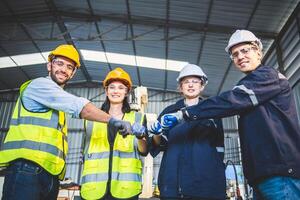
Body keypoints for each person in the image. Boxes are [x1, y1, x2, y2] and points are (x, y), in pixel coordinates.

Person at [160, 30, 300, 199]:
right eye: (235, 54)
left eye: (245, 50)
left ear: (258, 52)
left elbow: (230, 101)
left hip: (280, 171)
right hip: (263, 174)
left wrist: (184, 114)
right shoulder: (250, 84)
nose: (240, 56)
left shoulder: (267, 77)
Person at [0, 45, 132, 200]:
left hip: (49, 174)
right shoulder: (38, 85)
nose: (64, 69)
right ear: (49, 65)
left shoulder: (58, 104)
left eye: (69, 67)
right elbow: (82, 108)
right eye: (59, 63)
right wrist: (113, 121)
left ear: (73, 72)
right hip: (26, 169)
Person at [149, 63, 226, 200]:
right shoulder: (169, 112)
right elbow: (159, 145)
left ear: (202, 86)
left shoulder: (212, 111)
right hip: (173, 183)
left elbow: (219, 149)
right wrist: (157, 134)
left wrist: (217, 174)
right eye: (186, 82)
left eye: (195, 82)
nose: (190, 85)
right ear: (180, 87)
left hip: (206, 184)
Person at [80, 67, 148, 200]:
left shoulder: (137, 118)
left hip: (126, 189)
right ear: (106, 91)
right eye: (112, 87)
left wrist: (140, 135)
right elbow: (84, 152)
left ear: (127, 92)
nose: (116, 91)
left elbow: (144, 151)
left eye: (121, 88)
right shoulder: (91, 119)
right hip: (94, 189)